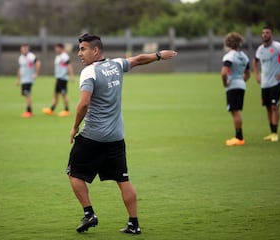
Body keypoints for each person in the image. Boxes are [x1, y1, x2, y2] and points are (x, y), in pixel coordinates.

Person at [66, 33, 177, 234]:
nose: (79, 53)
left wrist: (74, 127)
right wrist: (159, 55)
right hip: (116, 137)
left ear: (95, 50)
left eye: (83, 49)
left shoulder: (89, 72)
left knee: (73, 172)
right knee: (123, 180)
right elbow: (138, 59)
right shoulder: (116, 64)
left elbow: (84, 103)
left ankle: (89, 213)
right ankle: (134, 224)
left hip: (93, 136)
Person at [253, 26, 280, 142]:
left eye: (267, 33)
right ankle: (271, 132)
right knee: (267, 107)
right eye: (263, 33)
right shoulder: (260, 49)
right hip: (265, 83)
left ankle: (275, 133)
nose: (265, 35)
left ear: (271, 34)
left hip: (276, 81)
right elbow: (255, 61)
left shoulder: (278, 47)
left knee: (274, 106)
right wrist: (257, 75)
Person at [221, 32, 250, 146]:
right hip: (241, 85)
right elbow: (248, 74)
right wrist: (240, 80)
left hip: (232, 85)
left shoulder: (229, 56)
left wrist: (225, 83)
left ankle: (239, 138)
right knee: (236, 111)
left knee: (235, 112)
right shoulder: (244, 56)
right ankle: (239, 137)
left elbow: (223, 73)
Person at [42, 43, 74, 117]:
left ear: (61, 48)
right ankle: (51, 109)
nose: (56, 49)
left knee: (64, 95)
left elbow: (69, 66)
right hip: (58, 78)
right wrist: (56, 78)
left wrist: (71, 76)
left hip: (63, 79)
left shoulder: (64, 56)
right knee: (56, 95)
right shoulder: (58, 57)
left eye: (57, 48)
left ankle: (66, 110)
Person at [16, 44, 41, 118]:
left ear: (28, 49)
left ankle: (29, 111)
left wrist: (36, 73)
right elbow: (20, 69)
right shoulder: (21, 57)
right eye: (22, 49)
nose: (24, 50)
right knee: (25, 94)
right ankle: (28, 110)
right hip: (23, 80)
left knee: (27, 94)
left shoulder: (31, 56)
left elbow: (38, 63)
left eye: (25, 49)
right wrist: (18, 79)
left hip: (28, 79)